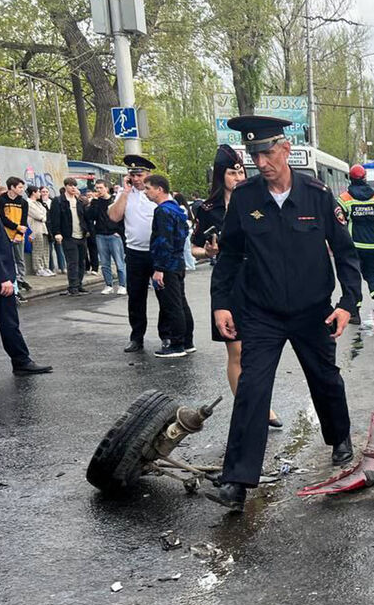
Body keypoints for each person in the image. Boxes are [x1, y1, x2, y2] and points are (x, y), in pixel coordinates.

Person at [210, 116, 361, 510]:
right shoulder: (245, 198)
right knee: (252, 388)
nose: (260, 162)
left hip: (312, 311)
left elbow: (345, 254)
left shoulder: (317, 195)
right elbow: (228, 255)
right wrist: (220, 303)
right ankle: (237, 479)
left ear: (285, 149)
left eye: (266, 153)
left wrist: (347, 304)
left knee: (325, 378)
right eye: (253, 154)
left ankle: (339, 437)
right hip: (261, 313)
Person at [193, 145, 281, 428]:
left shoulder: (256, 200)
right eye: (232, 173)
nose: (238, 177)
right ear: (221, 176)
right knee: (237, 351)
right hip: (228, 283)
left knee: (260, 350)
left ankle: (262, 404)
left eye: (241, 171)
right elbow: (194, 248)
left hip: (259, 281)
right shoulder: (208, 209)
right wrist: (207, 252)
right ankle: (249, 409)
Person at [0, 168, 51, 376]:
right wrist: (4, 278)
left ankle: (21, 360)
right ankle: (21, 361)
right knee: (8, 321)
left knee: (9, 321)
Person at [109, 154, 160, 353]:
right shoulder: (125, 194)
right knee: (136, 297)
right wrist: (125, 192)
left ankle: (166, 336)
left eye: (139, 174)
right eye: (132, 174)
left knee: (164, 296)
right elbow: (114, 216)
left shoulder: (156, 192)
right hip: (135, 252)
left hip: (156, 252)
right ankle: (136, 337)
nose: (136, 178)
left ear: (148, 174)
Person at [144, 174, 194, 358]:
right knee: (181, 303)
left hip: (168, 265)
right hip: (177, 262)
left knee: (172, 305)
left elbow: (164, 241)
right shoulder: (176, 209)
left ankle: (177, 344)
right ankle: (187, 341)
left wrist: (159, 269)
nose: (146, 192)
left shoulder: (163, 211)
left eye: (148, 188)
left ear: (159, 189)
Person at [337, 164, 374, 321]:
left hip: (354, 245)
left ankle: (355, 312)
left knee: (353, 277)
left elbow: (338, 223)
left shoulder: (344, 199)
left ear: (350, 178)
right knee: (372, 275)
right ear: (365, 178)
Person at [48, 177, 90, 296]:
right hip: (68, 236)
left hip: (81, 235)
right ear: (65, 186)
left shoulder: (79, 201)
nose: (73, 188)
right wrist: (57, 233)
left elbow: (85, 216)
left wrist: (87, 230)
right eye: (71, 185)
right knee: (73, 262)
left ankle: (79, 284)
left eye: (75, 186)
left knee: (82, 261)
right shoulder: (59, 201)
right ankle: (73, 286)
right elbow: (54, 218)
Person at [89, 179, 126, 295]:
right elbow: (91, 216)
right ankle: (108, 284)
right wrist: (94, 202)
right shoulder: (96, 202)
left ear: (106, 188)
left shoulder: (114, 200)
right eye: (97, 188)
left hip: (114, 234)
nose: (98, 190)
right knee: (105, 263)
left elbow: (121, 217)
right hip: (100, 234)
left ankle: (122, 285)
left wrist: (119, 232)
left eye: (100, 187)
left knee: (119, 262)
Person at [0, 176, 29, 280]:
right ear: (12, 187)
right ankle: (12, 278)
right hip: (5, 234)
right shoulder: (1, 200)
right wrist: (17, 227)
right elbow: (2, 219)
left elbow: (24, 220)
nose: (22, 190)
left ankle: (21, 279)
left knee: (20, 259)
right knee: (9, 258)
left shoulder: (23, 202)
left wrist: (20, 233)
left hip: (18, 235)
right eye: (19, 187)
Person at [25, 185, 51, 277]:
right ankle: (38, 269)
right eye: (39, 192)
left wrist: (42, 216)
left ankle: (45, 267)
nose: (40, 194)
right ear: (33, 193)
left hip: (43, 228)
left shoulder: (39, 203)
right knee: (37, 249)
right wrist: (42, 216)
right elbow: (38, 215)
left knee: (45, 249)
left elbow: (45, 214)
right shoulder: (28, 203)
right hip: (35, 229)